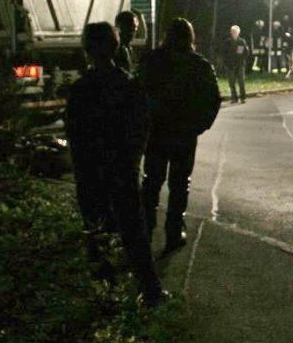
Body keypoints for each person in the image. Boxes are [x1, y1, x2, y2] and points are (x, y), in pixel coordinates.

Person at [65, 22, 167, 306]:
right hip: (122, 170)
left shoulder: (80, 89)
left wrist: (81, 169)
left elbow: (74, 136)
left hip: (90, 173)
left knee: (96, 231)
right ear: (115, 47)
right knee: (133, 231)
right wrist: (132, 160)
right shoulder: (128, 85)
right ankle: (150, 290)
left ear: (86, 50)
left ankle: (104, 293)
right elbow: (141, 128)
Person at [138, 18, 221, 254]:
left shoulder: (152, 60)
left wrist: (143, 123)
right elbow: (213, 99)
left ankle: (146, 226)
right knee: (180, 183)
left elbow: (138, 94)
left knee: (152, 180)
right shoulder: (198, 65)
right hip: (184, 133)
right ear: (190, 38)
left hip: (157, 131)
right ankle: (174, 229)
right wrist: (199, 126)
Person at [223, 24, 248, 103]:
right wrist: (227, 63)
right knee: (232, 82)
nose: (233, 33)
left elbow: (242, 53)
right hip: (230, 65)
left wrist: (240, 61)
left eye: (235, 32)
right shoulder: (227, 42)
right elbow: (224, 53)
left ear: (238, 33)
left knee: (241, 81)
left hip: (239, 64)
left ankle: (243, 97)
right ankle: (234, 98)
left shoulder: (241, 42)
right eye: (232, 32)